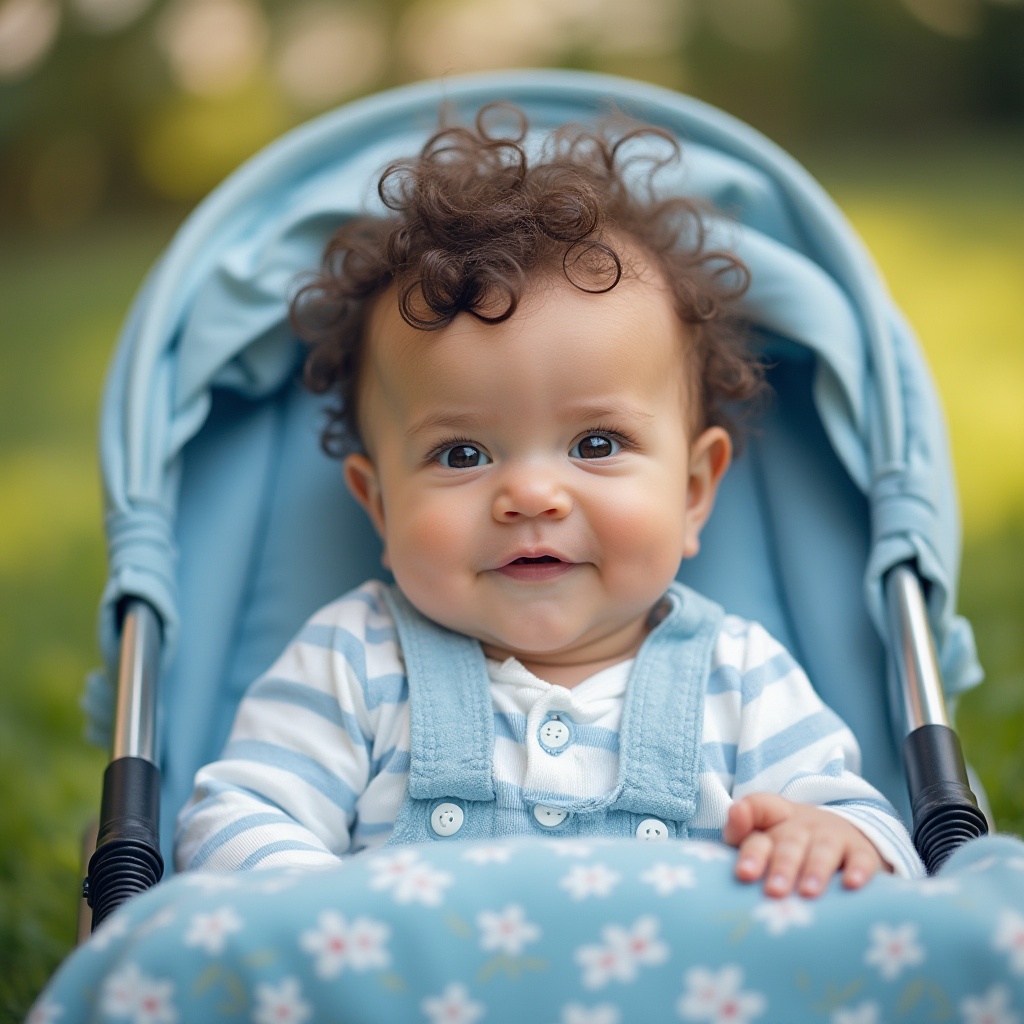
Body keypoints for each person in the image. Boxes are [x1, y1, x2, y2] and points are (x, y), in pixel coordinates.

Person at [175, 105, 923, 897]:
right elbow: (235, 820)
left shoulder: (740, 676)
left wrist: (829, 837)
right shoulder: (354, 662)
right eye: (461, 454)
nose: (530, 493)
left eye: (596, 444)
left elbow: (871, 832)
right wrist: (311, 910)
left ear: (695, 491)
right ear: (381, 507)